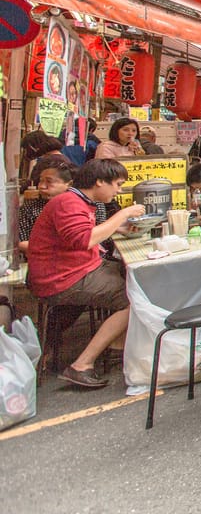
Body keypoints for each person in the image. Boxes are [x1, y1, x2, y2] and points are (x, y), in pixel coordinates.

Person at [25, 159, 146, 388]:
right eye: (117, 184)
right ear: (100, 181)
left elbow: (83, 232)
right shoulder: (68, 203)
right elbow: (85, 239)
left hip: (75, 269)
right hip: (62, 278)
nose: (118, 190)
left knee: (133, 278)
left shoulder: (77, 201)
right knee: (135, 299)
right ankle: (83, 364)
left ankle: (116, 346)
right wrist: (122, 215)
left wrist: (118, 228)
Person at [17, 161, 74, 254]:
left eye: (49, 182)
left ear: (69, 184)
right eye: (41, 181)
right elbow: (21, 241)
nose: (41, 186)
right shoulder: (30, 207)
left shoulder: (80, 206)